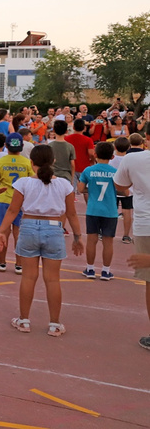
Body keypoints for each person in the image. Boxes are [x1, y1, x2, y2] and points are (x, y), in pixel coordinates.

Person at [0, 144, 84, 337]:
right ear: (53, 161)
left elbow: (13, 211)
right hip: (54, 229)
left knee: (28, 277)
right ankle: (54, 324)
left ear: (31, 162)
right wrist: (77, 237)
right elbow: (71, 213)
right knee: (52, 279)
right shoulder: (63, 184)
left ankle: (24, 320)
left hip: (28, 227)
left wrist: (2, 231)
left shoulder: (24, 183)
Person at [113, 140, 150, 350]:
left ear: (147, 139)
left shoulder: (132, 158)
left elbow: (121, 184)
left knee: (149, 280)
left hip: (146, 223)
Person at [0, 133, 33, 275]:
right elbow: (32, 180)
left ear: (6, 146)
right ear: (21, 147)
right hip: (20, 201)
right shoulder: (26, 162)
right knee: (18, 234)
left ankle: (2, 262)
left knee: (3, 232)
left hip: (3, 200)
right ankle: (19, 264)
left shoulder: (1, 161)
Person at [79, 141, 119, 280]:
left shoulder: (88, 170)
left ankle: (90, 269)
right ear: (112, 157)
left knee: (91, 239)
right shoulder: (115, 172)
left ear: (95, 154)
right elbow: (124, 190)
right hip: (110, 210)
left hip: (93, 209)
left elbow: (80, 189)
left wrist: (91, 189)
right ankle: (106, 271)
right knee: (108, 241)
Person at [65, 119, 96, 183]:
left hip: (70, 167)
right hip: (84, 167)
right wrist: (92, 161)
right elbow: (91, 153)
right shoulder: (88, 140)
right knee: (84, 190)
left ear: (73, 127)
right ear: (84, 128)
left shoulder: (66, 139)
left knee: (71, 190)